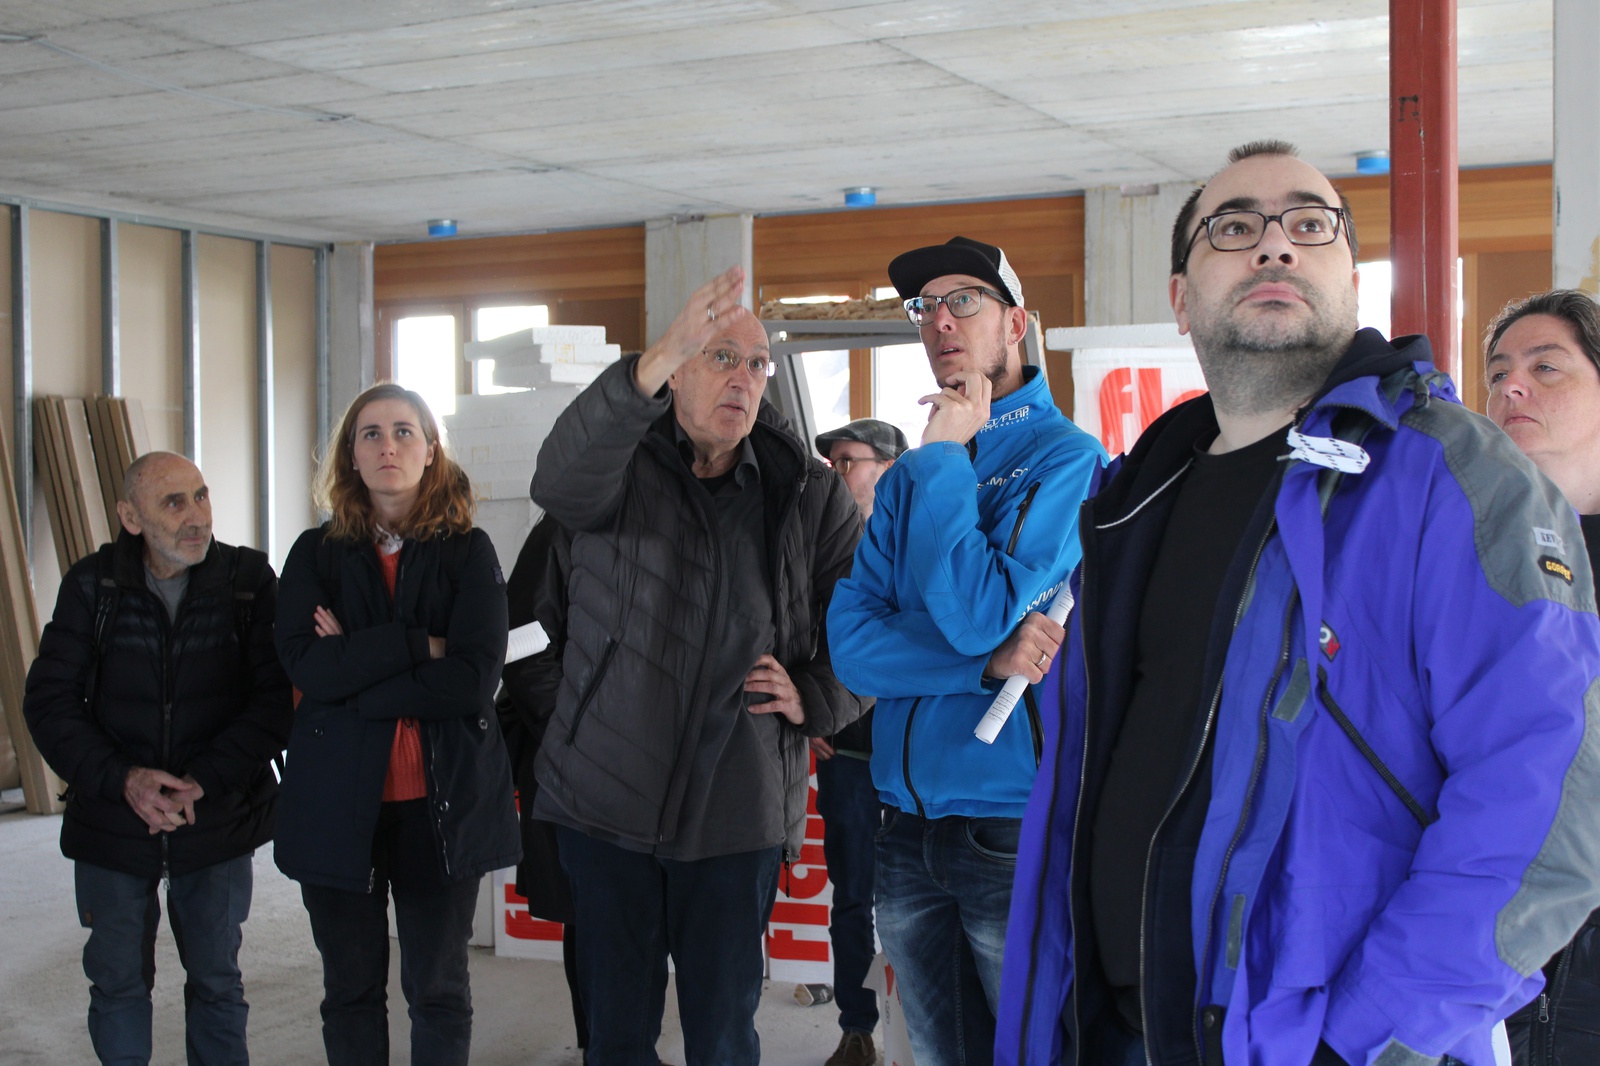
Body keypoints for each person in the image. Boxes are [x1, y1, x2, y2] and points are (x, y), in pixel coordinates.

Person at [997, 141, 1600, 1066]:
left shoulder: (1454, 477)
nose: (1274, 245)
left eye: (1310, 225)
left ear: (1351, 281)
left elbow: (1544, 814)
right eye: (1234, 227)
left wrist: (1358, 1042)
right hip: (1114, 1030)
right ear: (1181, 298)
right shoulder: (1133, 498)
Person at [529, 265, 866, 1066]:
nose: (743, 379)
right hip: (606, 805)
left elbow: (866, 627)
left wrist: (816, 695)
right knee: (616, 1037)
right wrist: (580, 719)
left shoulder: (806, 494)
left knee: (722, 1037)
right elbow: (555, 484)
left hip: (735, 808)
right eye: (720, 357)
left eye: (758, 364)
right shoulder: (614, 470)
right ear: (673, 371)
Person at [827, 237, 1107, 1066]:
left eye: (964, 302)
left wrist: (948, 455)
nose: (940, 321)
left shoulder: (1068, 461)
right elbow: (852, 649)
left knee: (1033, 1050)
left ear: (1015, 324)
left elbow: (980, 613)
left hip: (1009, 827)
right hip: (902, 826)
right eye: (925, 308)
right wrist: (982, 668)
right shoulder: (912, 478)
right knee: (942, 1055)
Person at [273, 383, 519, 1066]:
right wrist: (419, 644)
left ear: (431, 450)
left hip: (441, 803)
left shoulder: (468, 551)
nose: (388, 446)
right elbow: (307, 666)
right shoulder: (313, 554)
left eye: (404, 431)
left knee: (438, 988)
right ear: (351, 456)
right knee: (350, 990)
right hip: (336, 802)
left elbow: (473, 678)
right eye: (372, 434)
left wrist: (358, 668)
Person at [23, 451, 292, 1066]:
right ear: (130, 517)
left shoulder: (248, 582)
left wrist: (205, 779)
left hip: (214, 819)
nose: (196, 516)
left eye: (201, 496)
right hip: (114, 824)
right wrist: (125, 780)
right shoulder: (92, 586)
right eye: (174, 503)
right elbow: (49, 702)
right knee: (117, 983)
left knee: (218, 982)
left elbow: (276, 700)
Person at [1483, 289, 1600, 1066]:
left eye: (1545, 367)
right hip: (1493, 941)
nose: (1511, 387)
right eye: (1498, 373)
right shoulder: (1467, 553)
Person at [809, 417, 909, 1066]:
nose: (839, 472)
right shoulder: (818, 543)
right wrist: (813, 712)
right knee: (851, 899)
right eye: (834, 462)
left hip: (908, 753)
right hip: (844, 752)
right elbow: (798, 631)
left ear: (889, 469)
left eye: (851, 461)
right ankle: (856, 1029)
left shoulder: (917, 540)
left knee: (915, 902)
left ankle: (916, 1034)